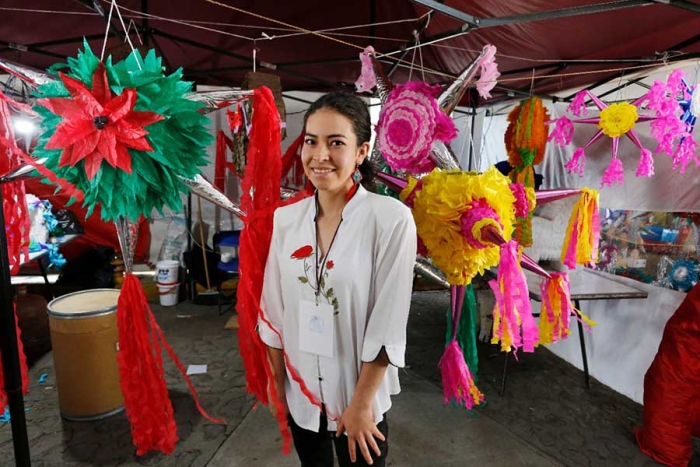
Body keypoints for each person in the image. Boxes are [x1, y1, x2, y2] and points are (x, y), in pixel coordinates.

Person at [259, 92, 417, 467]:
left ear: (361, 152)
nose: (320, 155)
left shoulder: (390, 220)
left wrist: (361, 406)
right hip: (301, 389)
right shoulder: (286, 220)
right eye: (311, 141)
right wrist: (276, 382)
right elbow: (273, 309)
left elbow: (388, 322)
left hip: (357, 397)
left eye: (336, 143)